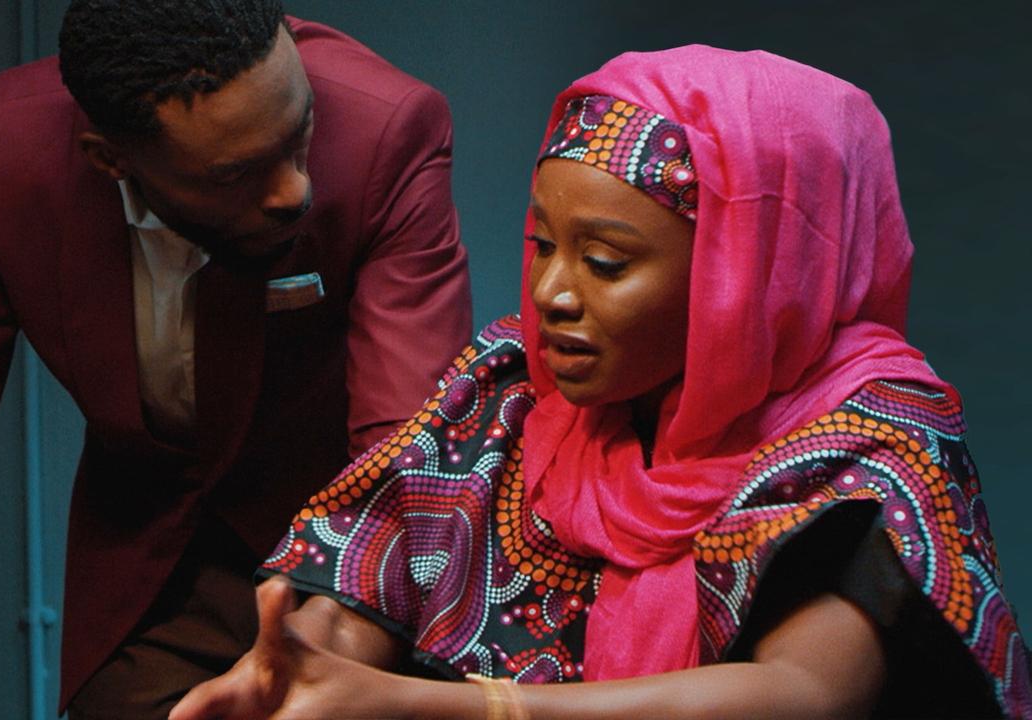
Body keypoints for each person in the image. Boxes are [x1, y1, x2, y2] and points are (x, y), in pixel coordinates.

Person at [169, 45, 1032, 719]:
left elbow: (805, 693)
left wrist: (452, 708)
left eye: (606, 262)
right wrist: (304, 667)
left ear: (748, 274)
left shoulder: (873, 439)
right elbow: (374, 571)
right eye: (543, 245)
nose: (551, 292)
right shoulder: (513, 388)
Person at [0, 1, 472, 718]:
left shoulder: (386, 129)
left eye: (301, 132)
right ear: (111, 159)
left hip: (350, 564)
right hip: (145, 577)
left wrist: (335, 644)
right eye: (236, 174)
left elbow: (403, 452)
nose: (295, 190)